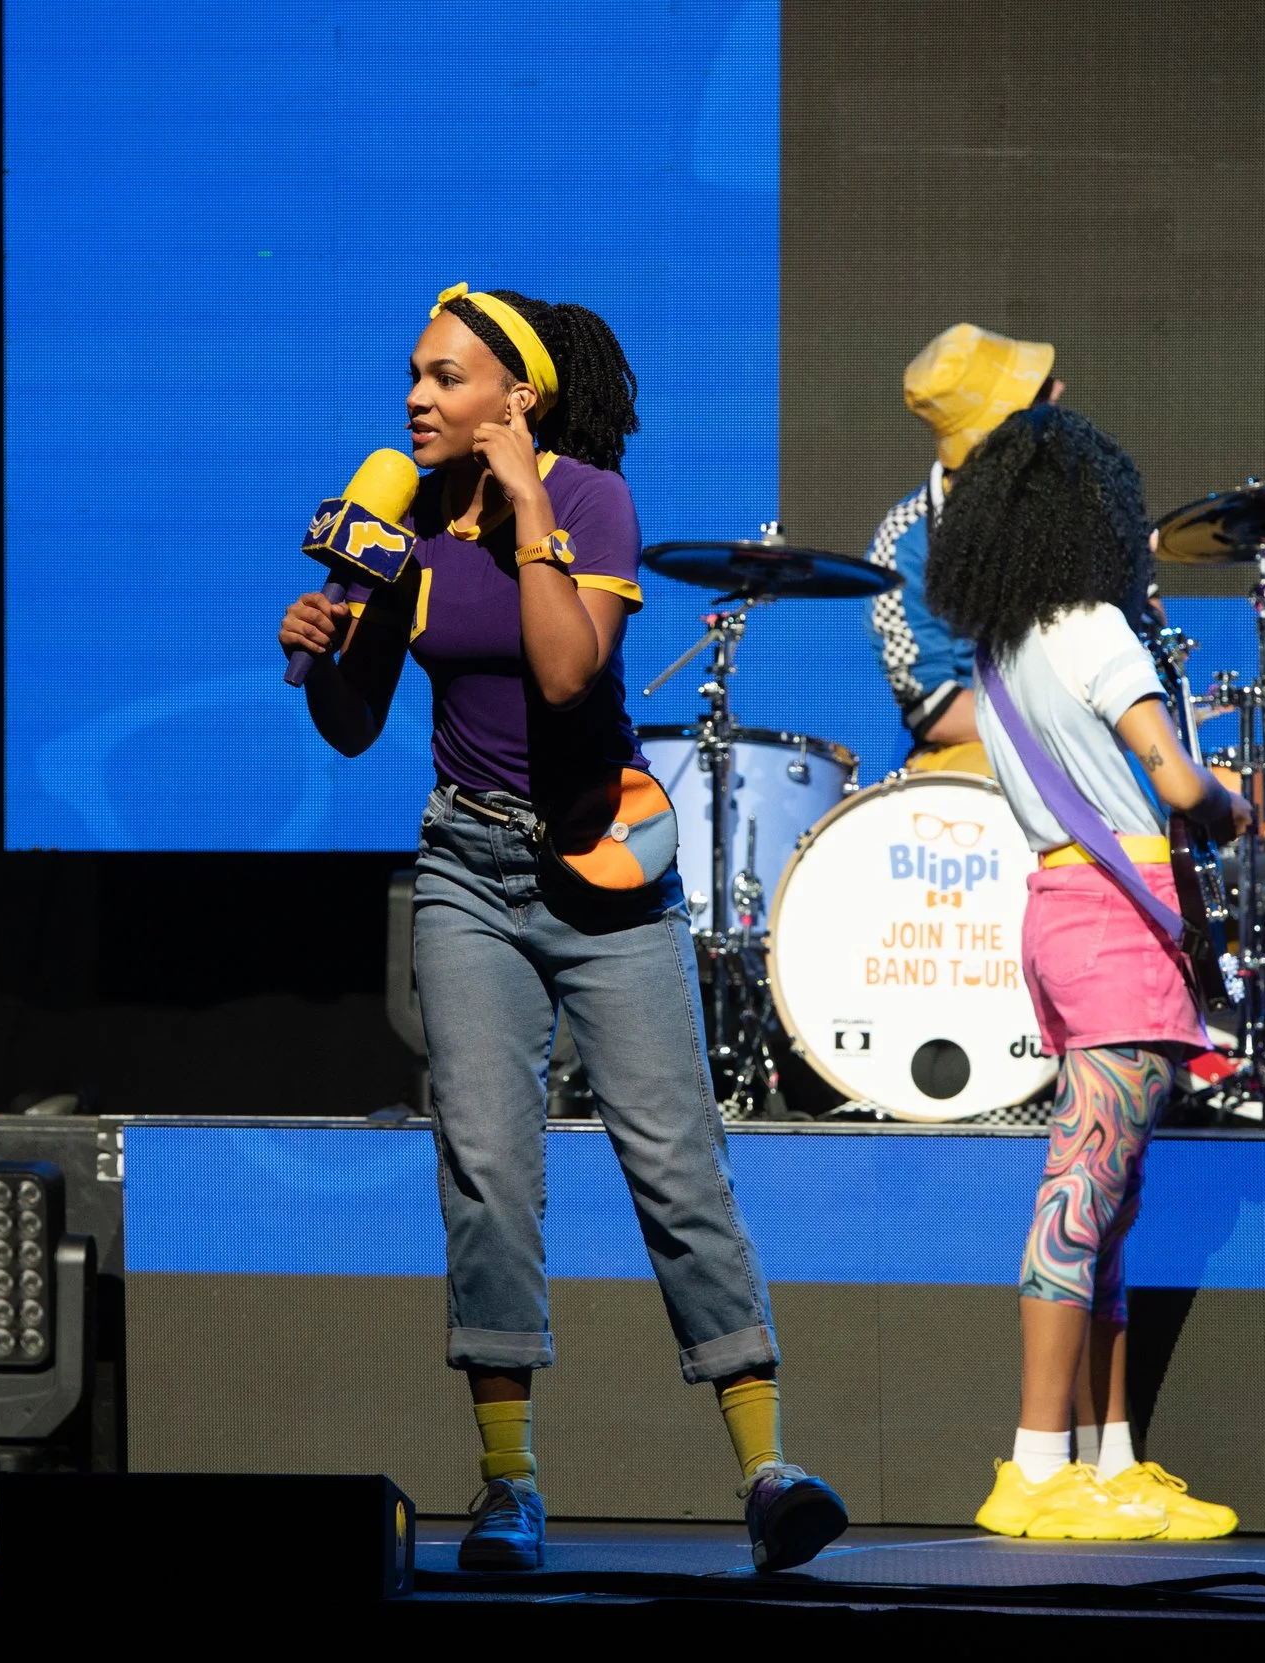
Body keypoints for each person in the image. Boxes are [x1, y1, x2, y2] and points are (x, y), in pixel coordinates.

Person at [276, 283, 848, 1574]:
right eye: (412, 376)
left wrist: (527, 503)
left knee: (675, 1159)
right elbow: (353, 724)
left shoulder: (589, 499)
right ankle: (508, 1484)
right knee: (485, 1166)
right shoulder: (397, 522)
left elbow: (565, 671)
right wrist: (324, 640)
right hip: (465, 869)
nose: (418, 397)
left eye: (447, 376)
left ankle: (767, 1467)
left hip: (600, 874)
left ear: (516, 397)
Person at [923, 402, 1252, 1542]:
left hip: (1063, 912)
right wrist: (1232, 800)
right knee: (1080, 1193)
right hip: (1117, 925)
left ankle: (1109, 1462)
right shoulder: (1097, 626)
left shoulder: (1002, 641)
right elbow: (1174, 784)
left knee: (1107, 1204)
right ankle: (1034, 1466)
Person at [864, 324, 1063, 776]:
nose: (1060, 390)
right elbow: (935, 709)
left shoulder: (1080, 506)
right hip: (970, 765)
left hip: (1088, 745)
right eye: (1041, 392)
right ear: (997, 433)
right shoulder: (905, 544)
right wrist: (1066, 721)